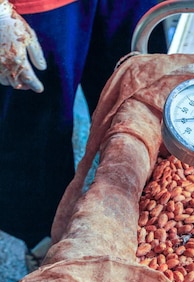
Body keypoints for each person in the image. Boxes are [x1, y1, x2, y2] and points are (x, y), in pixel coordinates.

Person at [0, 0, 166, 249]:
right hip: (32, 7)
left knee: (143, 100)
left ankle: (149, 218)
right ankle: (46, 238)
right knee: (34, 133)